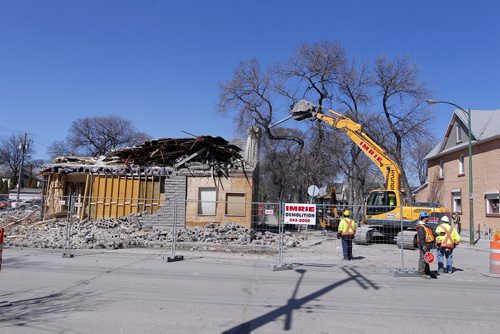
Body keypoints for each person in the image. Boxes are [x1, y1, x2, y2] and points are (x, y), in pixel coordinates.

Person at [416, 211, 435, 279]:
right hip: (424, 245)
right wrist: (423, 245)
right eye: (427, 217)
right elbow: (421, 237)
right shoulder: (421, 227)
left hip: (427, 244)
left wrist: (436, 234)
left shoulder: (425, 225)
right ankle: (421, 272)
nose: (428, 218)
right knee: (423, 258)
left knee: (426, 258)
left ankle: (427, 271)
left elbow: (428, 235)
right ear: (424, 218)